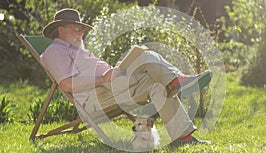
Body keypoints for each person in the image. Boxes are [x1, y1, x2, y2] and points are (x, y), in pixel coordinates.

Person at [41, 8, 213, 145]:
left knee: (159, 85)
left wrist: (111, 73)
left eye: (82, 30)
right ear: (61, 30)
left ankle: (183, 138)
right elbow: (66, 85)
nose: (81, 33)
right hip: (98, 96)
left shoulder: (78, 50)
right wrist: (103, 79)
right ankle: (178, 81)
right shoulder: (55, 51)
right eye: (77, 29)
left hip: (114, 86)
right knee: (145, 56)